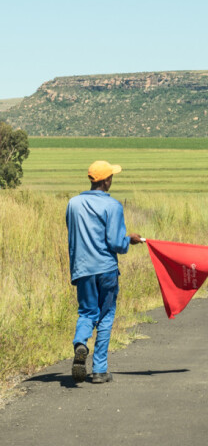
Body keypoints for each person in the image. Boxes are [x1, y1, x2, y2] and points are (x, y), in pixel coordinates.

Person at [66, 161, 142, 383]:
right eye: (111, 177)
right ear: (106, 180)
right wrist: (131, 240)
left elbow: (72, 236)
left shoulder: (73, 204)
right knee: (106, 315)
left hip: (82, 269)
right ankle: (99, 370)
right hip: (106, 269)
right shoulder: (113, 206)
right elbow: (116, 243)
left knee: (87, 312)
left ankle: (81, 343)